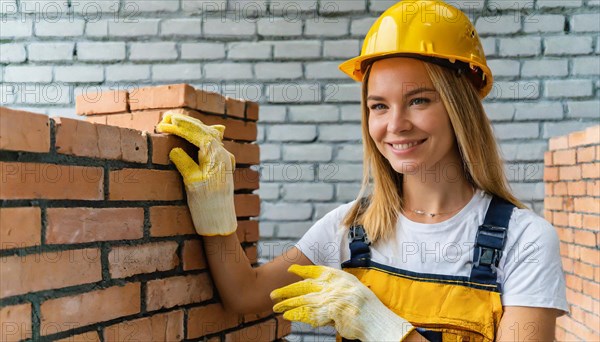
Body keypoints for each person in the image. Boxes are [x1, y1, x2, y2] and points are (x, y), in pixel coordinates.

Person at [155, 0, 568, 341]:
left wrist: (382, 326)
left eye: (420, 101)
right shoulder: (350, 228)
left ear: (460, 108)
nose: (395, 125)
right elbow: (244, 295)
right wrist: (216, 212)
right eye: (379, 106)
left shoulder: (524, 240)